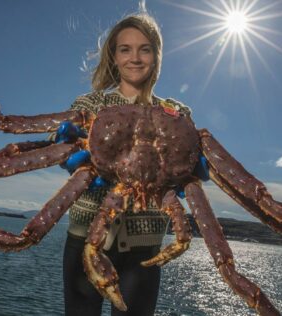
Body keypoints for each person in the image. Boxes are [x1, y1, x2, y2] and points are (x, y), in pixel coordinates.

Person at [62, 13, 190, 316]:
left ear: (156, 57)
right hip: (84, 239)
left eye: (144, 49)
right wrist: (66, 149)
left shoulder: (176, 113)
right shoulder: (89, 106)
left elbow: (194, 162)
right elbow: (62, 148)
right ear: (114, 56)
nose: (135, 57)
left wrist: (190, 172)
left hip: (144, 252)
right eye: (125, 49)